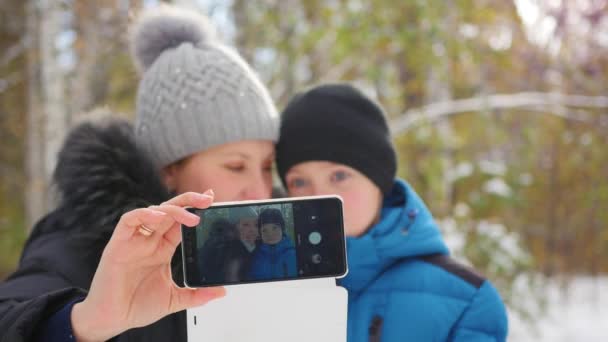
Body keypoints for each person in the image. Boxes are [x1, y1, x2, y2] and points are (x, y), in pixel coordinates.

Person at [0, 4, 279, 342]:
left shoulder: (272, 247)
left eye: (267, 166)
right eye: (235, 166)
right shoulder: (84, 243)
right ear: (168, 170)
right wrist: (82, 322)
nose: (260, 191)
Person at [276, 83, 508, 341]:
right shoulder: (267, 289)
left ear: (379, 182)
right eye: (299, 182)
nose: (318, 198)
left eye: (339, 176)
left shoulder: (466, 303)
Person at [248, 208, 297, 280]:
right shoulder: (254, 257)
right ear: (260, 233)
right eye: (264, 230)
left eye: (275, 228)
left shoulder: (294, 254)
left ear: (282, 229)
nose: (270, 234)